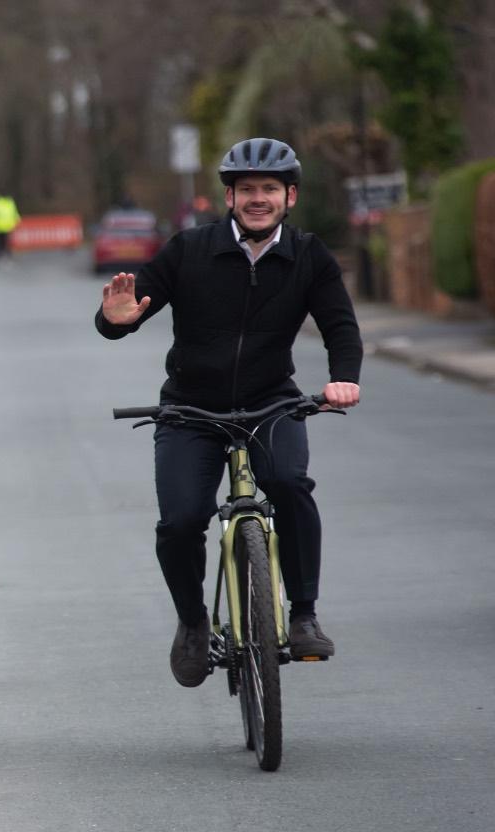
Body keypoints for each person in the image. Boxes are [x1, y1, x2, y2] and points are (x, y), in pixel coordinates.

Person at [95, 137, 363, 687]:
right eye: (246, 190)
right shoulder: (190, 249)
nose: (257, 198)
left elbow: (341, 326)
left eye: (269, 189)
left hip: (271, 401)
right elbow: (128, 310)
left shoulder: (309, 256)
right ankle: (194, 624)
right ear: (229, 197)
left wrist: (343, 380)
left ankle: (305, 614)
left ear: (290, 196)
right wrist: (115, 320)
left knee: (289, 484)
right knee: (180, 522)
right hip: (191, 408)